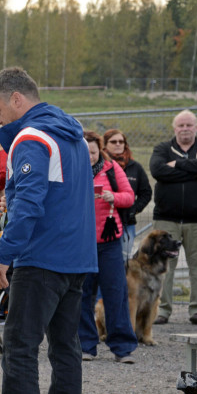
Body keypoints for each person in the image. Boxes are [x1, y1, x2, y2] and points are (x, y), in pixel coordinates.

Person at [0, 67, 96, 394]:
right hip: (76, 259)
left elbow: (27, 204)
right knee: (66, 349)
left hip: (41, 258)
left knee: (20, 348)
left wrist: (3, 255)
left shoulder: (31, 137)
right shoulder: (71, 134)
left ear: (17, 99)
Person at [149, 110, 197, 325]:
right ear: (174, 128)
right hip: (166, 218)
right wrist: (196, 172)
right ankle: (162, 310)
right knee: (163, 266)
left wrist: (178, 165)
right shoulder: (162, 148)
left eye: (189, 125)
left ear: (196, 127)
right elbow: (157, 170)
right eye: (181, 125)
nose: (185, 128)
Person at [78, 131, 138, 363]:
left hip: (109, 242)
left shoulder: (112, 170)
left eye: (93, 152)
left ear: (99, 150)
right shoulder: (72, 170)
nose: (89, 157)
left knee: (116, 293)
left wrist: (112, 197)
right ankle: (86, 346)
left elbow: (129, 196)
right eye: (85, 153)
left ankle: (122, 347)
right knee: (83, 295)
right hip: (82, 244)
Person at [102, 129, 151, 260]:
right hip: (104, 222)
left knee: (124, 260)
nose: (118, 144)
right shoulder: (99, 165)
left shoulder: (135, 167)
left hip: (127, 222)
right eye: (113, 142)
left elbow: (146, 193)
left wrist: (134, 209)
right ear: (105, 145)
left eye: (121, 141)